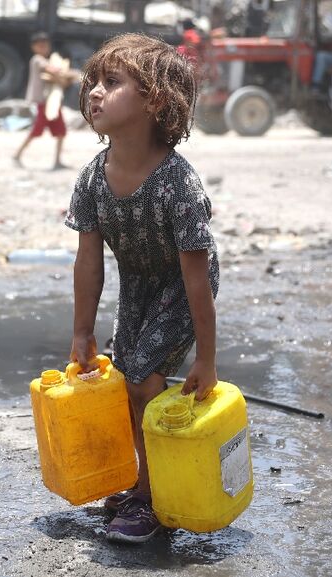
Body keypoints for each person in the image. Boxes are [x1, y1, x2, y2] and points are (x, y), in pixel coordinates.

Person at [64, 33, 219, 544]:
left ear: (155, 101)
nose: (94, 93)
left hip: (181, 284)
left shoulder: (178, 183)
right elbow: (89, 262)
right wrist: (81, 332)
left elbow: (197, 275)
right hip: (137, 284)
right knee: (123, 381)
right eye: (93, 83)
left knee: (145, 382)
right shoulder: (93, 177)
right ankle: (142, 480)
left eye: (112, 83)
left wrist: (207, 360)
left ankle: (152, 501)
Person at [13, 32, 73, 170]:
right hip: (42, 102)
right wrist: (65, 72)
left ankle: (57, 161)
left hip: (51, 102)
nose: (44, 48)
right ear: (34, 47)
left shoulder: (47, 60)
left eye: (46, 45)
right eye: (40, 46)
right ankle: (17, 155)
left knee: (61, 130)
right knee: (37, 130)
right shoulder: (37, 59)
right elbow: (51, 69)